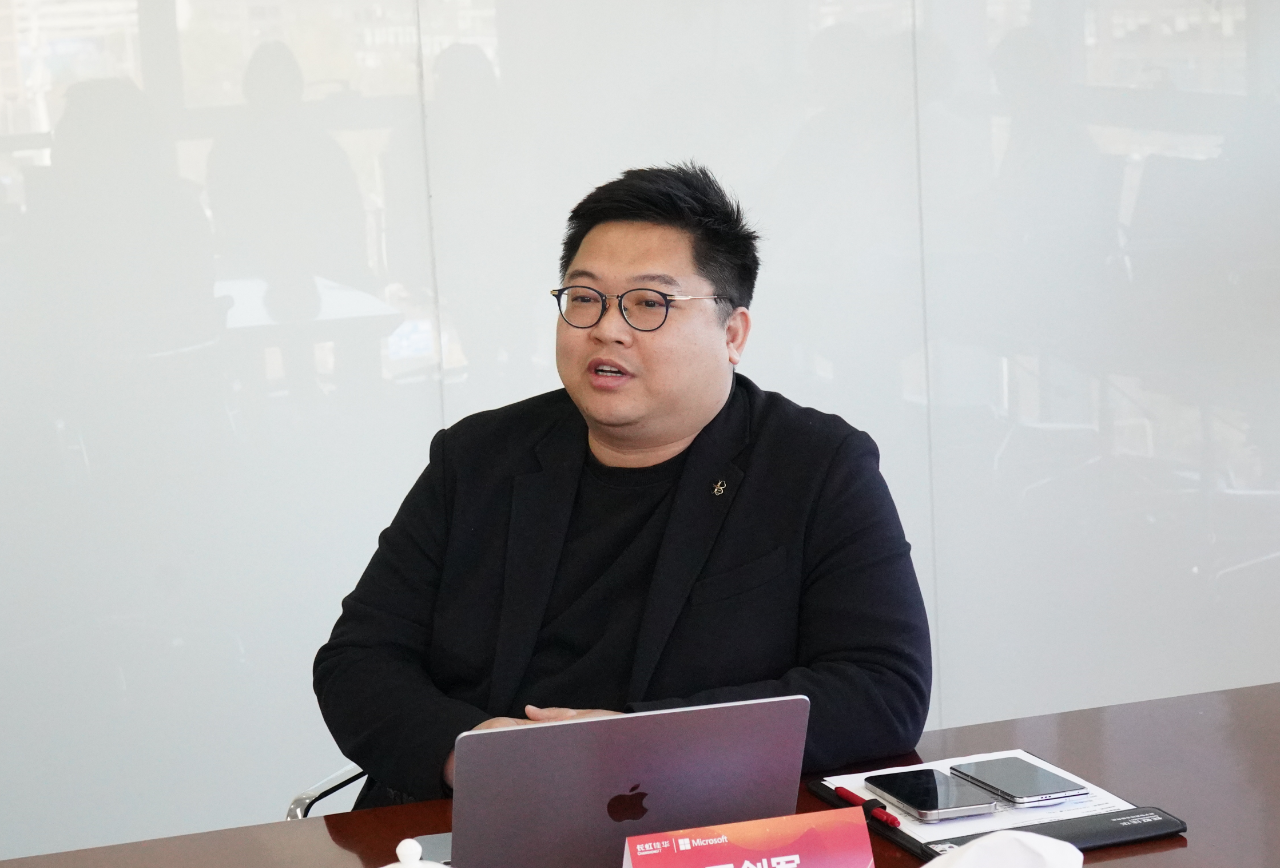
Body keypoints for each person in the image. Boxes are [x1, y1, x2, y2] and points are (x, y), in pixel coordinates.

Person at [314, 163, 931, 808]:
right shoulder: (476, 458)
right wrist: (467, 752)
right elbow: (358, 660)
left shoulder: (816, 467)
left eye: (649, 304)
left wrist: (639, 745)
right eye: (584, 298)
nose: (607, 328)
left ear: (732, 334)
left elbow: (882, 687)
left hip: (694, 823)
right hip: (468, 819)